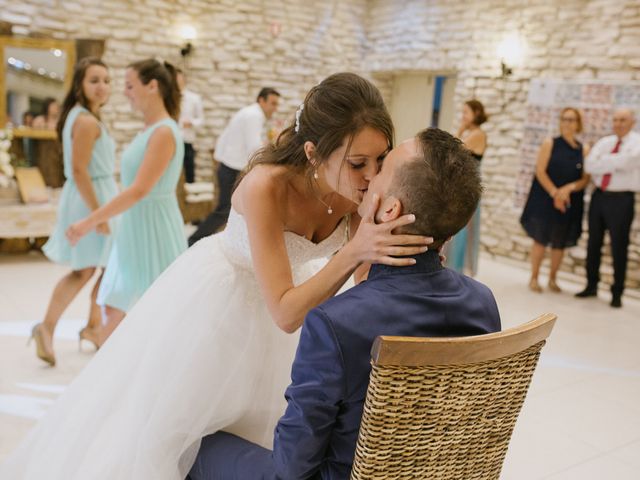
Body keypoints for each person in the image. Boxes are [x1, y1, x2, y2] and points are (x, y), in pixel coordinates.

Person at [0, 72, 432, 479]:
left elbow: (363, 292)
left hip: (295, 304)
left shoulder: (358, 192)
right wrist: (354, 251)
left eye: (380, 159)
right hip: (220, 304)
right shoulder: (267, 186)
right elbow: (284, 311)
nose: (372, 176)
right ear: (313, 152)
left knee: (270, 436)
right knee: (174, 433)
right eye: (358, 163)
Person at [188, 127, 502, 479]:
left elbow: (291, 468)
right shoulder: (482, 302)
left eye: (381, 169)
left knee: (191, 446)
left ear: (389, 210)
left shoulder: (336, 323)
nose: (369, 178)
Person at [66, 58, 187, 344]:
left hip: (153, 226)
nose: (125, 92)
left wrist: (89, 220)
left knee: (151, 305)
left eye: (130, 85)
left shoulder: (164, 132)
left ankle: (130, 372)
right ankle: (117, 372)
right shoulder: (149, 129)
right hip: (135, 223)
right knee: (115, 302)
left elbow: (138, 190)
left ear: (152, 86)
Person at [29, 57, 118, 366]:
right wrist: (99, 214)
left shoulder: (84, 117)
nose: (102, 86)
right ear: (80, 84)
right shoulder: (85, 121)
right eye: (94, 80)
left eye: (106, 80)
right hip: (89, 197)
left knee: (100, 268)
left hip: (93, 195)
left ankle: (92, 327)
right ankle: (51, 327)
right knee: (90, 269)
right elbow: (80, 171)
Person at [187, 86, 280, 245]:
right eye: (272, 103)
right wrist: (273, 146)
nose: (275, 108)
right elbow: (254, 146)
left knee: (230, 210)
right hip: (231, 168)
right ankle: (195, 238)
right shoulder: (254, 116)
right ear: (261, 100)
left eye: (277, 104)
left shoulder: (251, 113)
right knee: (225, 210)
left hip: (230, 165)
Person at [520, 107, 590, 293]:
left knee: (560, 240)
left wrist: (568, 189)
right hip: (545, 198)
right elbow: (540, 171)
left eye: (571, 120)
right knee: (541, 238)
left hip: (569, 201)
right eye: (564, 119)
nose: (567, 123)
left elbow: (585, 178)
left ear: (578, 124)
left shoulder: (583, 150)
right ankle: (534, 278)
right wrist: (555, 193)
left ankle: (552, 278)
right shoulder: (549, 143)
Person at [576, 108, 640, 308]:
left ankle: (617, 292)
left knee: (618, 246)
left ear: (632, 122)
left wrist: (604, 162)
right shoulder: (605, 142)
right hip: (599, 197)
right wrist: (615, 162)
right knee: (593, 242)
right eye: (615, 119)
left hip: (622, 199)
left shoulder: (637, 142)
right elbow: (589, 166)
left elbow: (629, 162)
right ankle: (591, 284)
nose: (618, 123)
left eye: (623, 120)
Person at [445, 99, 487, 276]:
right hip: (463, 185)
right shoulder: (472, 133)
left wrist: (461, 129)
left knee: (462, 229)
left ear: (476, 114)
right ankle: (454, 266)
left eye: (466, 112)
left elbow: (453, 151)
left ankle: (457, 268)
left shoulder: (478, 134)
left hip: (469, 186)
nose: (463, 116)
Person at [176, 68, 204, 183]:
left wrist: (191, 122)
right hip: (172, 140)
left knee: (189, 174)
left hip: (187, 141)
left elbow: (201, 120)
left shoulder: (194, 98)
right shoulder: (167, 98)